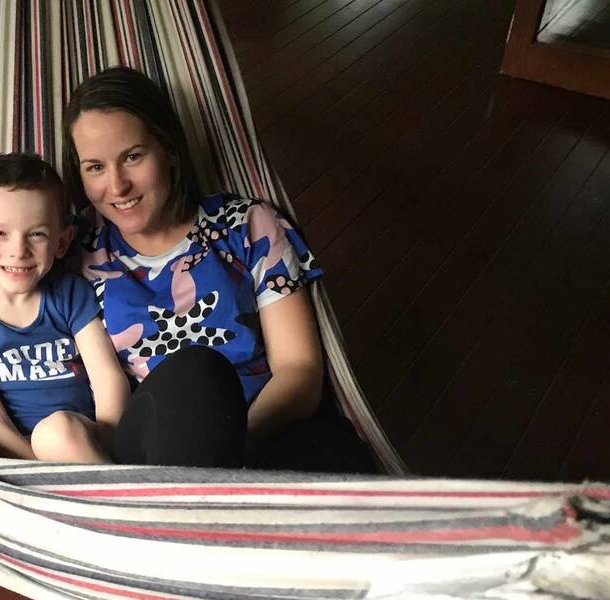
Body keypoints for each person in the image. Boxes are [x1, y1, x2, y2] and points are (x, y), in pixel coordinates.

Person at [63, 66, 376, 472]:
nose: (117, 186)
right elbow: (3, 254)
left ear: (170, 150)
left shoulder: (246, 225)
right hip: (153, 449)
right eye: (95, 168)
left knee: (341, 464)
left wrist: (234, 448)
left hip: (262, 430)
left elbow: (299, 369)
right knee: (195, 371)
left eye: (133, 157)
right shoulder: (74, 245)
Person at [0, 153, 129, 463]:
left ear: (62, 242)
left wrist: (109, 438)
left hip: (89, 437)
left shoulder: (69, 293)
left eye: (36, 234)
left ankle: (118, 489)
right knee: (51, 434)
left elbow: (107, 376)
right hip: (21, 455)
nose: (18, 251)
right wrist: (40, 469)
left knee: (57, 432)